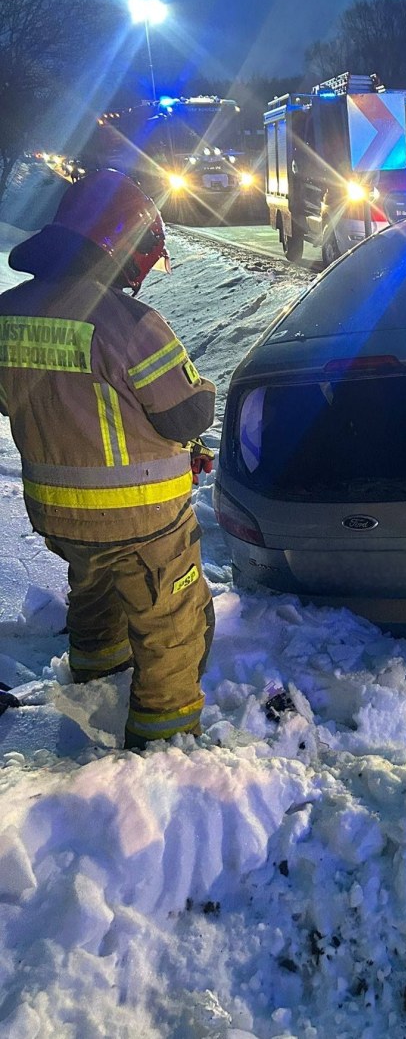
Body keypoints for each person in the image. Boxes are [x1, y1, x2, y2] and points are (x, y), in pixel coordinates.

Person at [0, 169, 216, 748]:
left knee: (94, 594)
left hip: (59, 518)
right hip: (144, 521)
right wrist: (203, 389)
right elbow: (186, 418)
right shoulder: (130, 324)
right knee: (172, 624)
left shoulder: (7, 313)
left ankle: (95, 677)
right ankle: (165, 745)